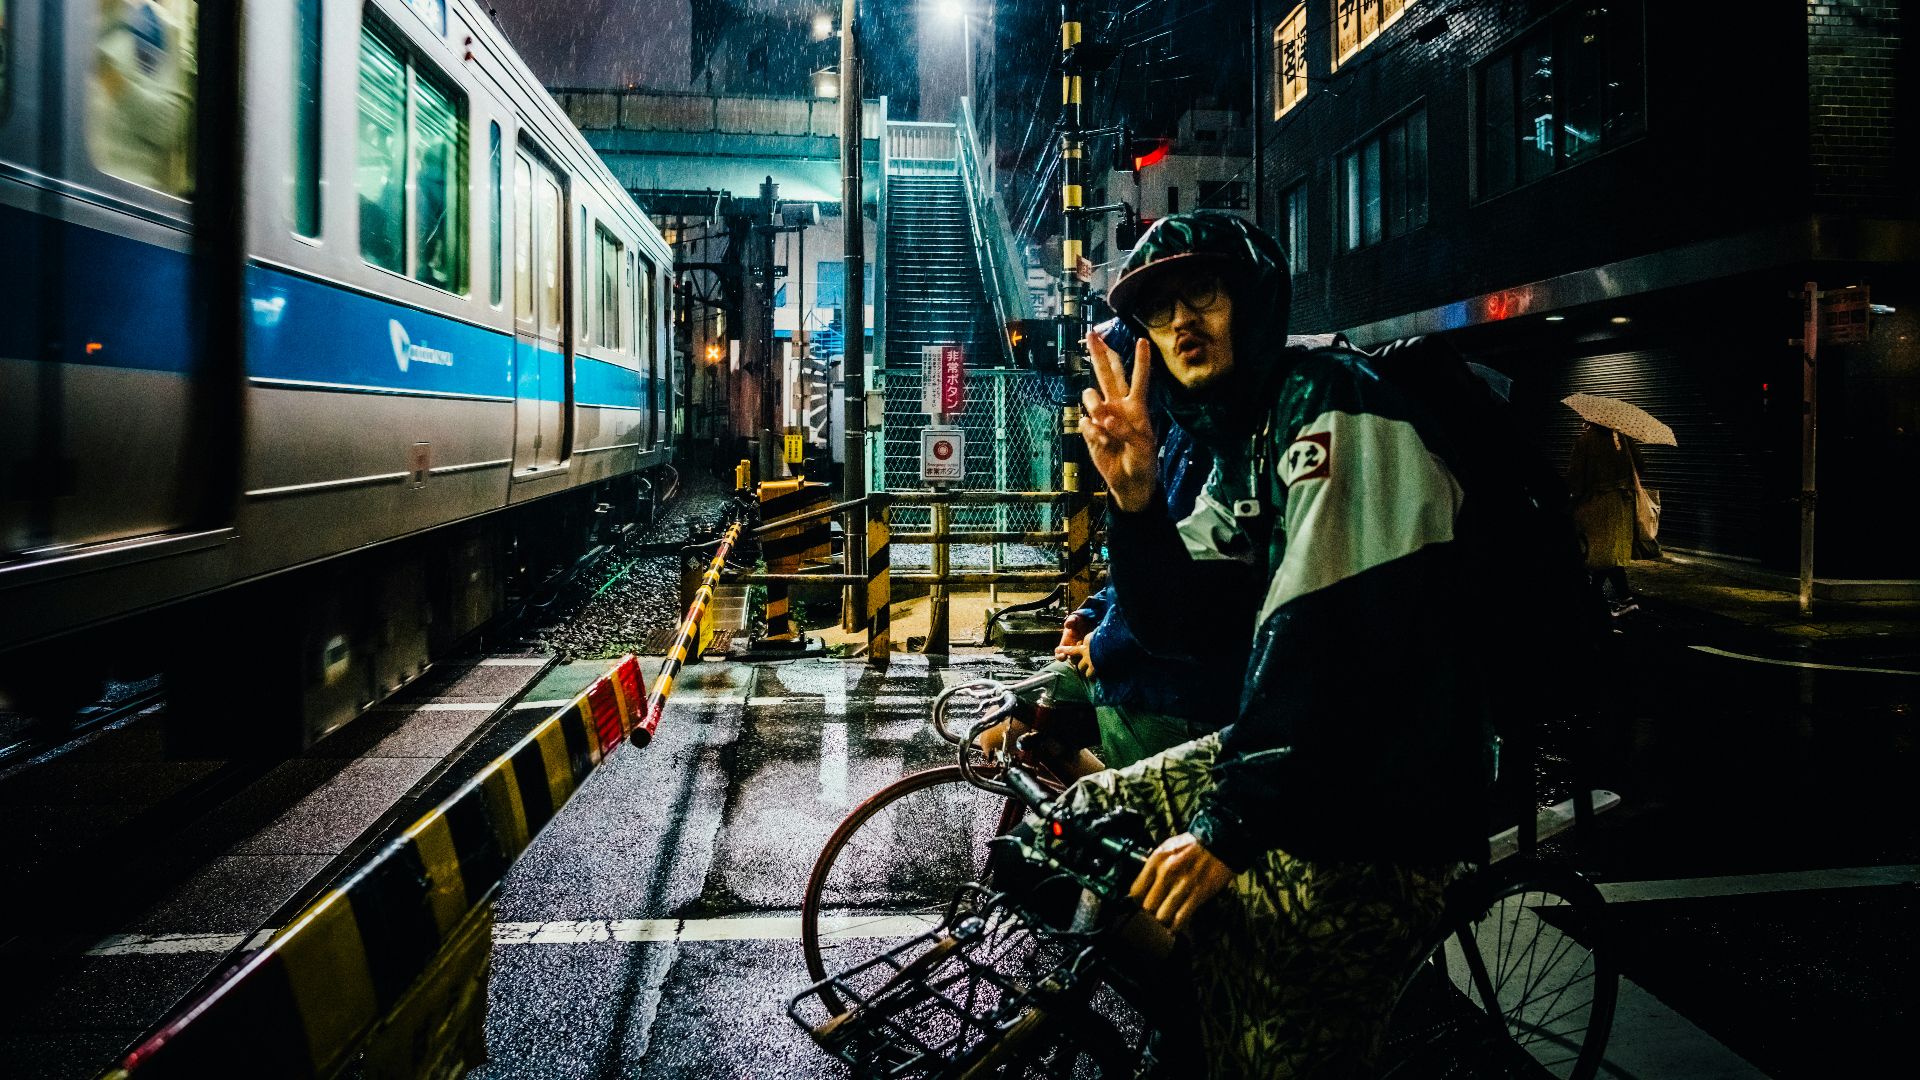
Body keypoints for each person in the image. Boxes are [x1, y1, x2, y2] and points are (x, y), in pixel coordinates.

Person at [1063, 211, 1586, 1078]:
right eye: (1159, 310)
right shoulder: (1241, 439)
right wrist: (1138, 506)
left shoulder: (1333, 403)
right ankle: (1199, 1024)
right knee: (1068, 831)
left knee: (1281, 1058)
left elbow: (1325, 631)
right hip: (1310, 766)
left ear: (1256, 300)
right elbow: (1182, 623)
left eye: (1204, 292)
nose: (1182, 322)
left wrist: (1226, 828)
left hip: (1396, 791)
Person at [984, 319, 1258, 777]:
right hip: (1143, 668)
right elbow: (1140, 563)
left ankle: (1107, 827)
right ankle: (1091, 821)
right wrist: (1090, 616)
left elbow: (1184, 586)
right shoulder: (1171, 439)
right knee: (1003, 726)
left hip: (1172, 688)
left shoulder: (1212, 443)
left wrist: (1103, 643)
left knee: (1126, 815)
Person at [1566, 421, 1651, 609]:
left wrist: (1572, 500)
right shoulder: (1624, 439)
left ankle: (1617, 599)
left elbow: (1575, 475)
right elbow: (1641, 466)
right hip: (1621, 504)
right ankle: (1609, 598)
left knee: (1598, 552)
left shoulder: (1586, 441)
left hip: (1596, 504)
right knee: (1607, 553)